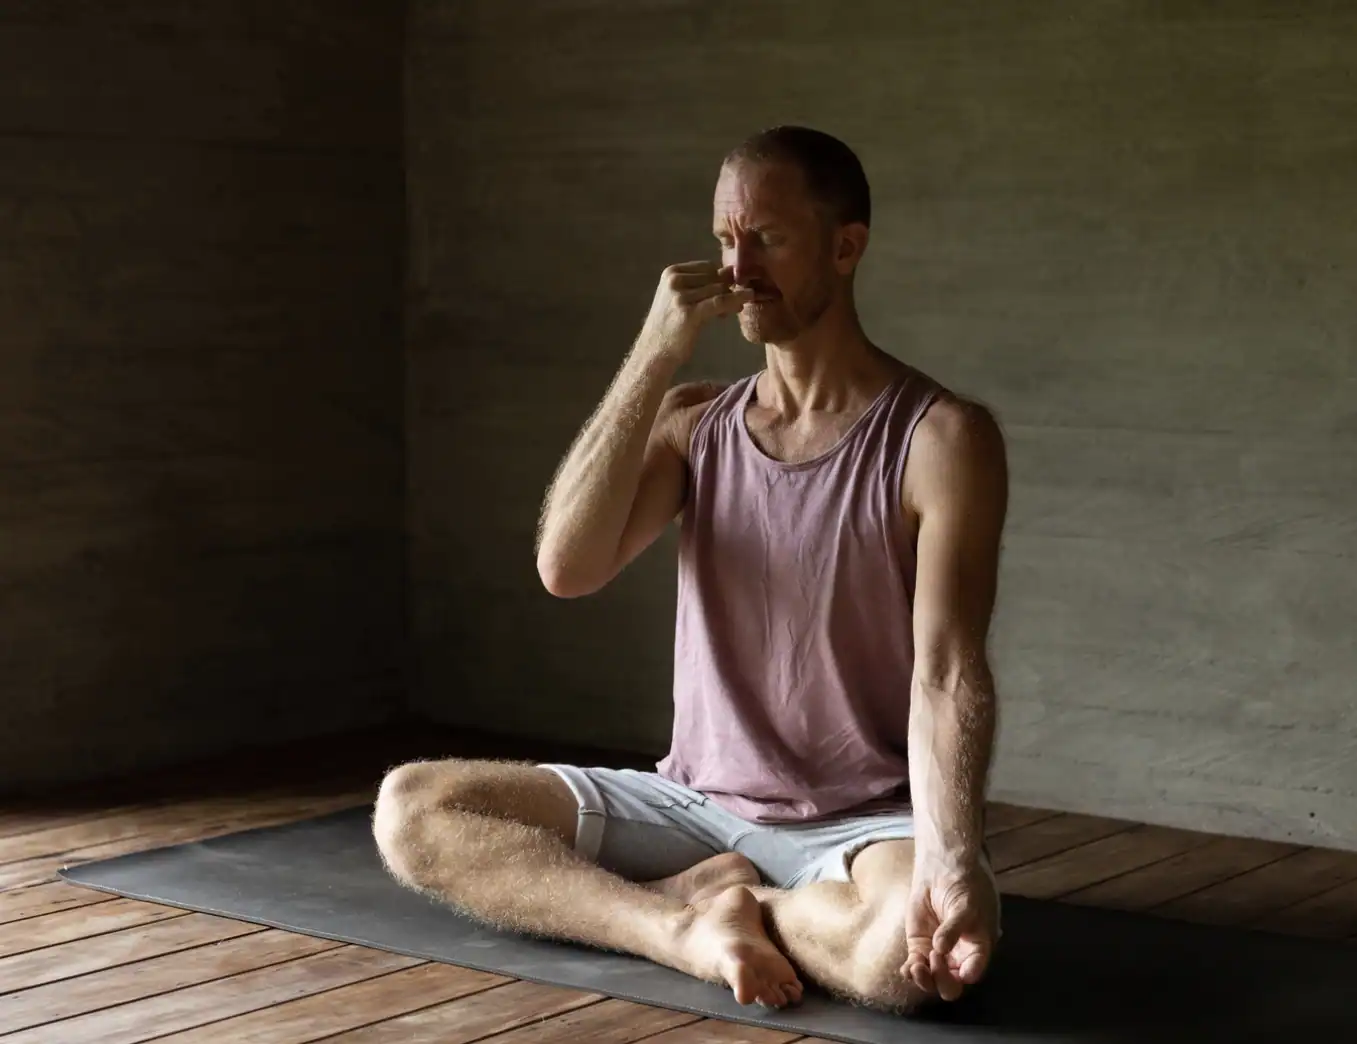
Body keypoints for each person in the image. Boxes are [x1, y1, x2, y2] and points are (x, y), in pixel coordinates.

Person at [372, 126, 1010, 1014]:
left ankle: (754, 904)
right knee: (414, 809)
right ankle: (677, 927)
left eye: (769, 238)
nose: (738, 265)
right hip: (692, 806)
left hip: (862, 823)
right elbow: (567, 565)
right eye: (724, 238)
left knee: (905, 962)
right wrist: (653, 352)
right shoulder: (693, 422)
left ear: (845, 246)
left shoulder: (941, 439)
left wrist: (949, 856)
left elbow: (948, 673)